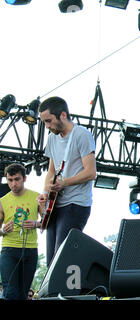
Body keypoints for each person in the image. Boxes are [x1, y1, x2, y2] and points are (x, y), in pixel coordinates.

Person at [36, 96, 96, 267]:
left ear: (63, 115)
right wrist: (45, 194)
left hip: (75, 204)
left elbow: (91, 172)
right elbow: (51, 171)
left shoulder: (82, 135)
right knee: (51, 260)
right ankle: (52, 293)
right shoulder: (52, 138)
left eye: (49, 121)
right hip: (56, 204)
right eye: (44, 122)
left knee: (62, 257)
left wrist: (65, 183)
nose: (47, 126)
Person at [0, 163, 43, 300]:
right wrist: (2, 230)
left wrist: (36, 223)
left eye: (17, 179)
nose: (13, 184)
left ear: (24, 179)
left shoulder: (36, 197)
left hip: (30, 249)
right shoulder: (2, 201)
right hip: (9, 250)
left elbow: (46, 223)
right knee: (10, 292)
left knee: (24, 293)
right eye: (10, 180)